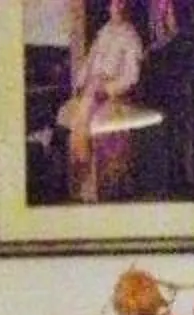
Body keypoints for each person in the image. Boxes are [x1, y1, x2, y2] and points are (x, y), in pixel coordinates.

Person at [57, 0, 145, 199]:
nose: (118, 8)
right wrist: (81, 83)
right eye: (115, 4)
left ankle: (86, 170)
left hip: (112, 93)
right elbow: (89, 62)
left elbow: (132, 77)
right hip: (92, 88)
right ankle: (80, 176)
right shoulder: (103, 32)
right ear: (109, 7)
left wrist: (107, 90)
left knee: (87, 111)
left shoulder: (131, 37)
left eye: (122, 4)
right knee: (72, 111)